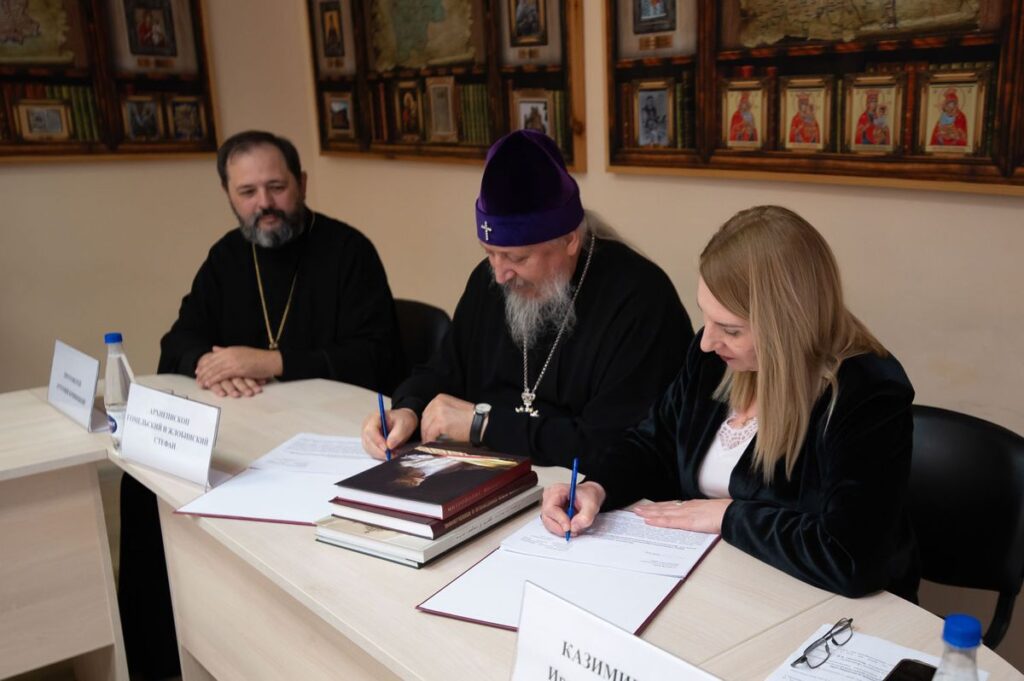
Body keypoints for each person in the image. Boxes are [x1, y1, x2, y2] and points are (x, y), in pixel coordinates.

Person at [120, 130, 404, 680]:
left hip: (335, 435)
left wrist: (269, 362)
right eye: (247, 191)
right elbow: (177, 340)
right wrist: (212, 363)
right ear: (229, 195)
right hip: (252, 429)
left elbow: (377, 356)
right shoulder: (228, 257)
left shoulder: (348, 252)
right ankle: (166, 653)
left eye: (276, 187)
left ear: (302, 183)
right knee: (145, 484)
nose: (264, 204)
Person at [541, 205, 919, 601]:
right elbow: (654, 444)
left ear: (787, 326)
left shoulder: (868, 393)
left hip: (818, 606)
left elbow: (852, 556)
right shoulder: (713, 359)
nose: (707, 341)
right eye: (706, 317)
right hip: (717, 585)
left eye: (731, 329)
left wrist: (728, 516)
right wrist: (598, 487)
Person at [362, 129, 693, 468]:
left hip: (581, 489)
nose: (500, 274)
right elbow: (444, 369)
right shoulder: (488, 281)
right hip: (484, 475)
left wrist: (484, 426)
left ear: (569, 240)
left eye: (517, 258)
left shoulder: (641, 301)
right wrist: (409, 408)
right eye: (490, 252)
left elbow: (614, 444)